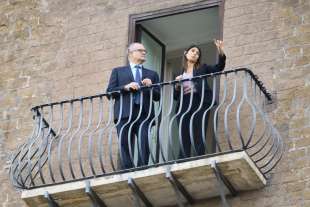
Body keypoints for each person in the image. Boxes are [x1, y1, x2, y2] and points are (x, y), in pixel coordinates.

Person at [106, 42, 160, 169]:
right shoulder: (118, 71)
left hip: (144, 113)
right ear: (130, 53)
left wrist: (150, 86)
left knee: (144, 142)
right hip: (124, 113)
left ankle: (142, 169)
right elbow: (109, 92)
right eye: (140, 50)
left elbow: (158, 96)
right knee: (125, 143)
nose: (144, 52)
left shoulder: (152, 74)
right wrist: (126, 87)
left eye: (145, 51)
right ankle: (127, 170)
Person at [174, 40, 226, 159]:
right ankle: (182, 160)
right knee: (184, 132)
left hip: (199, 102)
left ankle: (199, 158)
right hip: (184, 104)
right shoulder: (180, 73)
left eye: (197, 53)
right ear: (185, 53)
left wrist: (221, 51)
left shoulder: (203, 68)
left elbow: (219, 68)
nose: (195, 54)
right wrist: (177, 85)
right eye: (193, 51)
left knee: (199, 131)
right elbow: (175, 96)